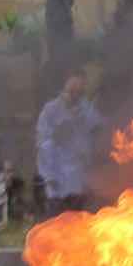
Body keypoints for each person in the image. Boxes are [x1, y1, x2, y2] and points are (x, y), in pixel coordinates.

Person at [36, 70, 105, 216]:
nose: (74, 95)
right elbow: (42, 143)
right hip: (58, 182)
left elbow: (100, 127)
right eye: (71, 90)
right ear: (64, 87)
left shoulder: (87, 109)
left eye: (79, 91)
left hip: (81, 181)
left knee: (80, 227)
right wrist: (49, 176)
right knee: (57, 226)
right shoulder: (51, 110)